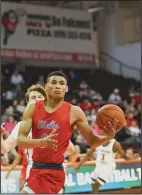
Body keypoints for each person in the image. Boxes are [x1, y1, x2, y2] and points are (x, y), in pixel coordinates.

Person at [17, 71, 118, 194]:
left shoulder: (75, 112)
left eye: (62, 83)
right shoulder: (32, 107)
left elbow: (92, 142)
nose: (58, 86)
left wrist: (108, 136)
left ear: (66, 88)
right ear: (46, 87)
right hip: (35, 169)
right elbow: (21, 141)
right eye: (53, 83)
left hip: (53, 172)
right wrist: (41, 142)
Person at [75, 139, 140, 193]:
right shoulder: (98, 141)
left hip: (108, 167)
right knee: (93, 184)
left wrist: (132, 158)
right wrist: (79, 164)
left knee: (96, 187)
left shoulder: (115, 144)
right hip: (99, 166)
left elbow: (123, 156)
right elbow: (88, 154)